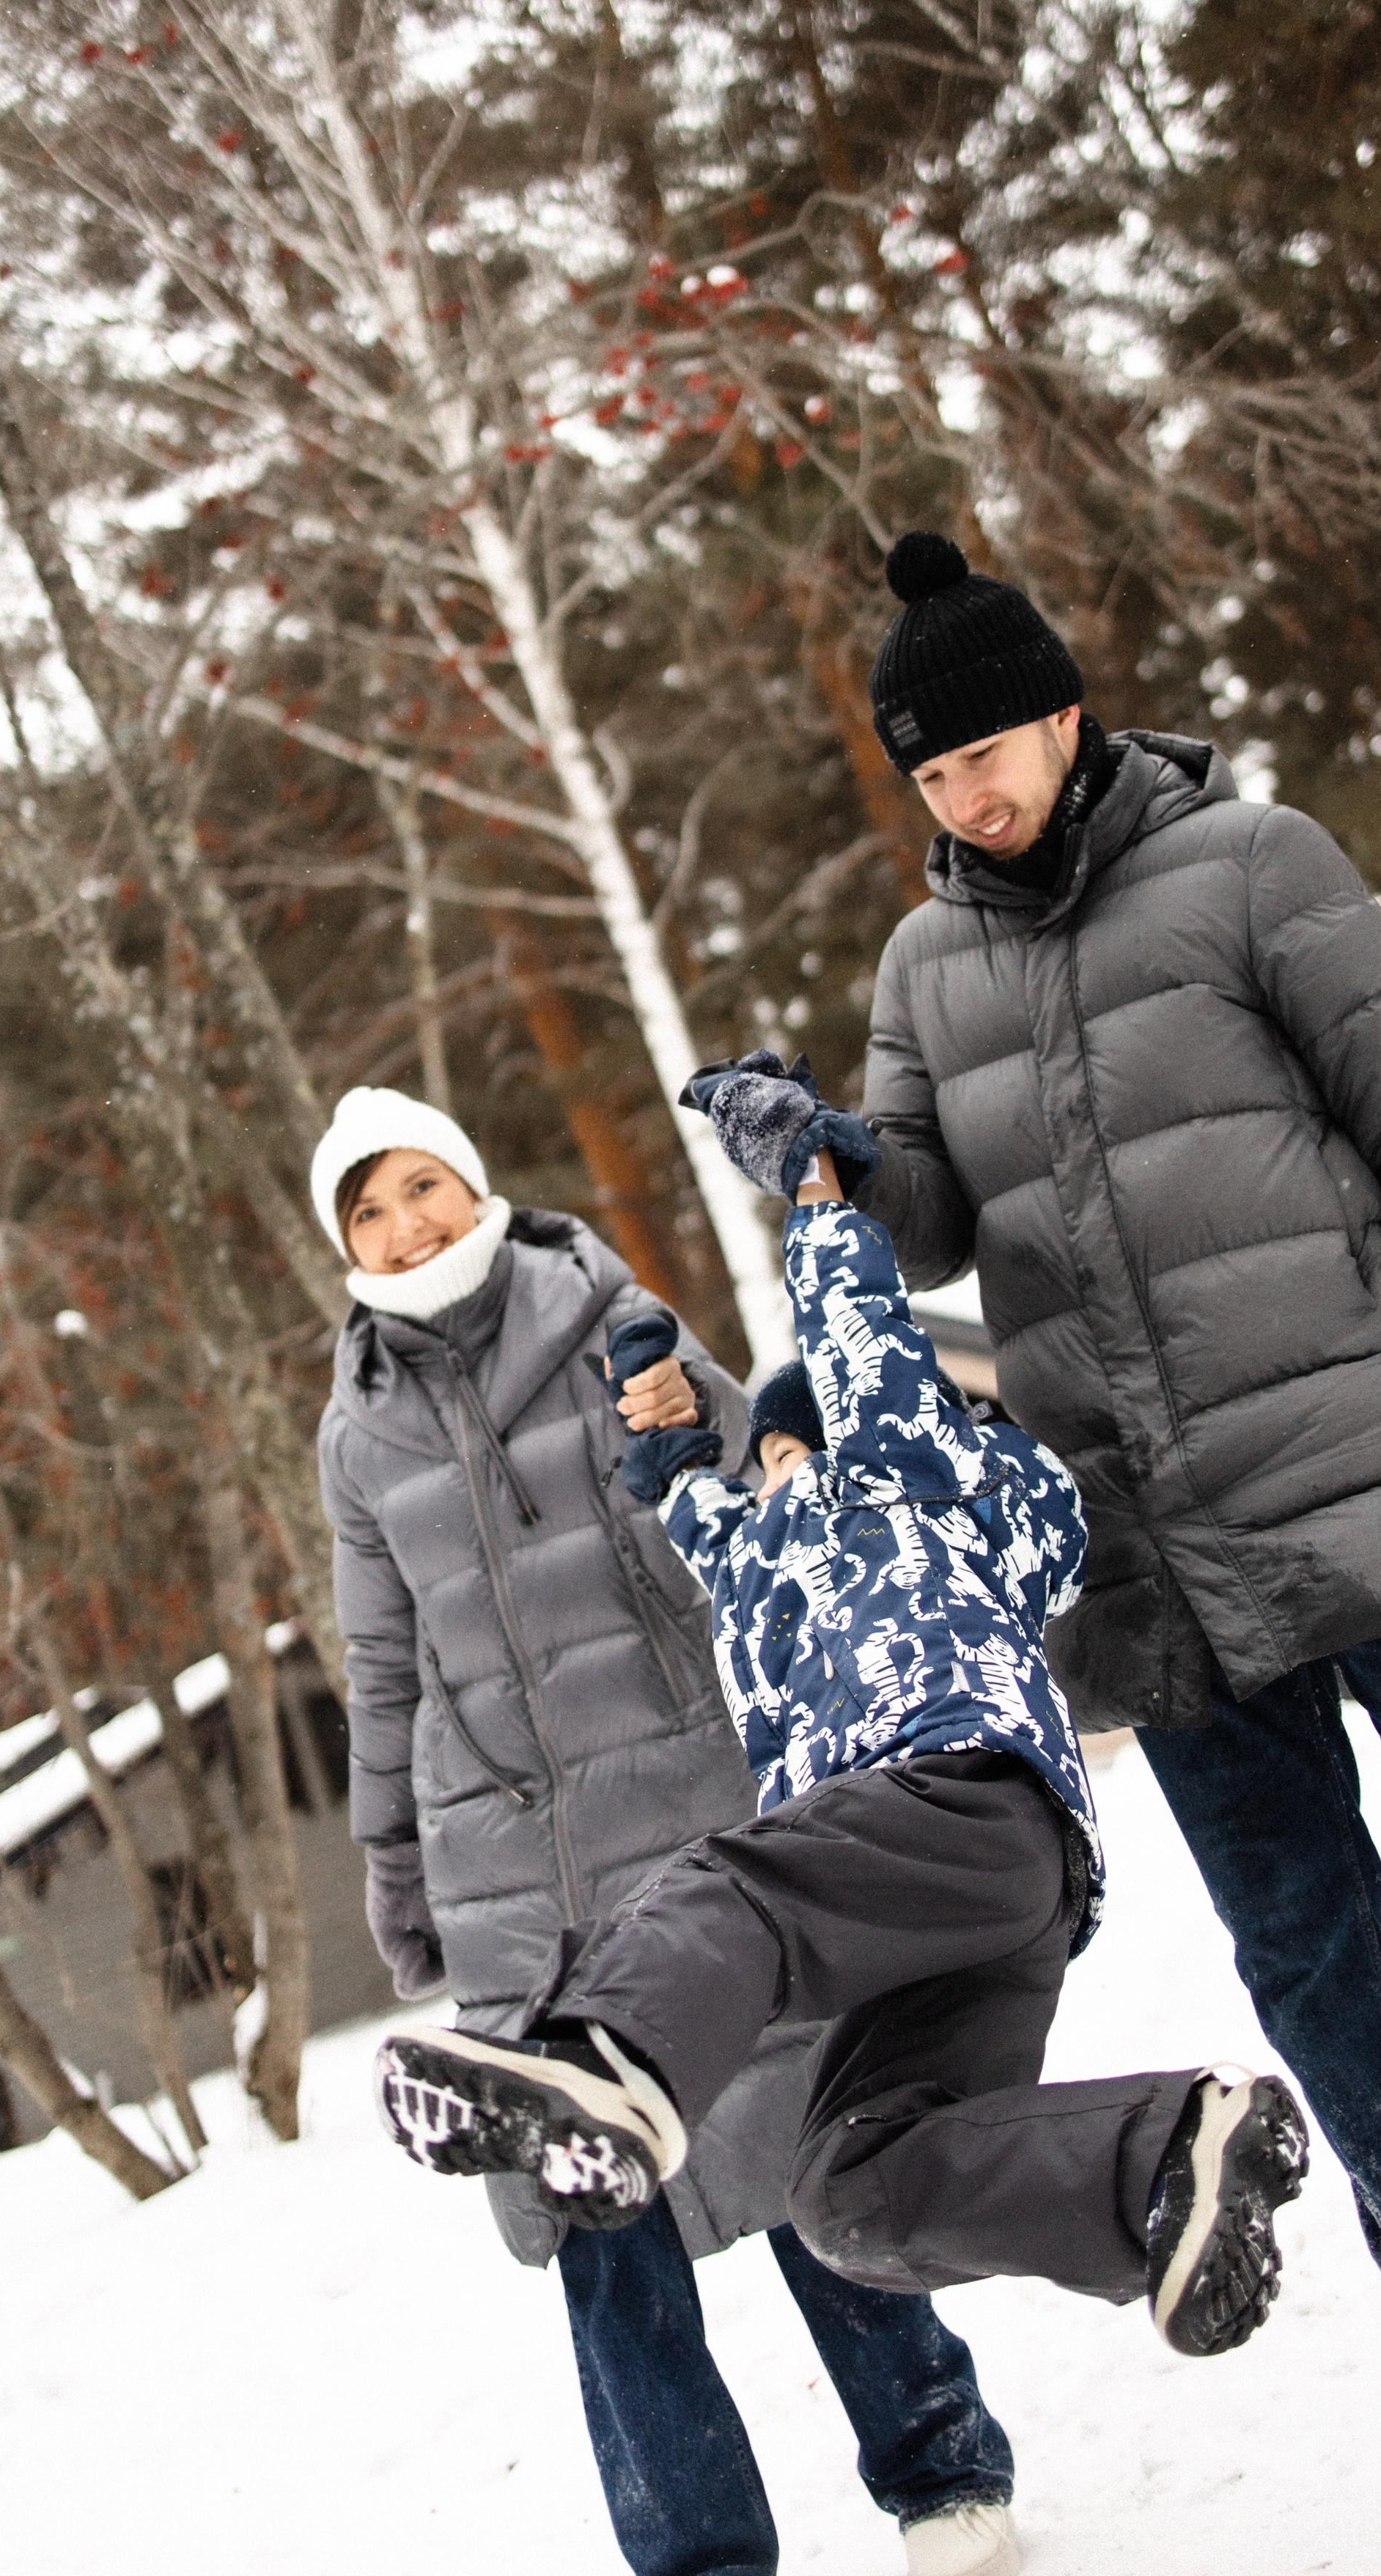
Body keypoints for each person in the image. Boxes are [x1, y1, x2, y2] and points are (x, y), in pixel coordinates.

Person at [847, 527, 1381, 2576]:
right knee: (1318, 1980)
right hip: (1155, 1572)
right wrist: (835, 1166)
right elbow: (930, 1221)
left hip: (1365, 1473)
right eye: (929, 779)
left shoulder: (1255, 867)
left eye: (986, 756)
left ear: (1062, 710)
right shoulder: (920, 973)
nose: (968, 799)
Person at [374, 1070, 1308, 2406]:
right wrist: (671, 1436)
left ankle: (605, 2074)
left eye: (783, 1447)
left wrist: (814, 1187)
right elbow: (696, 1512)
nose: (770, 1473)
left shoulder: (909, 1473)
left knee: (730, 1885)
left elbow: (862, 1343)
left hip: (958, 1788)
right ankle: (1159, 2161)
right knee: (852, 2189)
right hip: (958, 1914)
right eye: (764, 1463)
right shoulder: (764, 1551)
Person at [310, 1083, 1025, 2576]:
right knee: (597, 2232)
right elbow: (377, 1665)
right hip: (513, 1868)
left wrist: (687, 1423)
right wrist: (394, 1863)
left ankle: (941, 2474)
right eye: (366, 1212)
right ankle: (697, 2558)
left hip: (698, 1798)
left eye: (418, 1187)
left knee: (802, 2150)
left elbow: (752, 1488)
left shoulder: (598, 1313)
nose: (402, 1227)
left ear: (471, 1176)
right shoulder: (355, 1429)